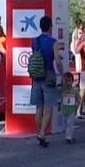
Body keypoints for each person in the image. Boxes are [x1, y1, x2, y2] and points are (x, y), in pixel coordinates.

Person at [30, 16, 63, 147]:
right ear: (50, 26)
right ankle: (42, 133)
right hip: (48, 74)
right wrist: (61, 73)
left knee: (39, 107)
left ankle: (39, 132)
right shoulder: (53, 42)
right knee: (48, 108)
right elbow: (57, 60)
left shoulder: (35, 41)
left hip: (36, 76)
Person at [60, 72, 81, 144]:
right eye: (65, 81)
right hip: (64, 110)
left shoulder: (75, 90)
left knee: (70, 124)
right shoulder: (62, 90)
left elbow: (79, 99)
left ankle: (69, 137)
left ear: (72, 81)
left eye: (69, 81)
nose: (67, 83)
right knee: (65, 125)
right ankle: (68, 136)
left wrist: (77, 107)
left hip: (72, 110)